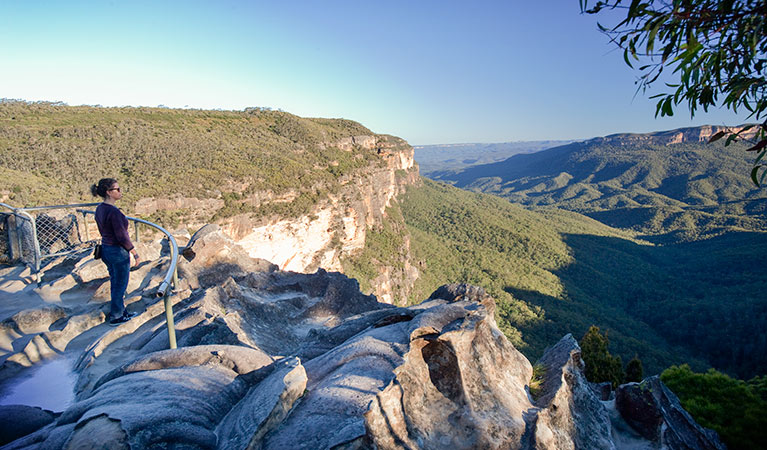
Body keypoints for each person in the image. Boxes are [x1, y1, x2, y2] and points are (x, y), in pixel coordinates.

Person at [91, 178, 139, 325]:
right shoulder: (114, 212)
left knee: (115, 282)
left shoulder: (100, 208)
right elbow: (121, 236)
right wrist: (134, 252)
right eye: (117, 189)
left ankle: (120, 310)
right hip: (117, 252)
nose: (120, 192)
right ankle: (117, 316)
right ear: (108, 192)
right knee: (121, 284)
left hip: (106, 249)